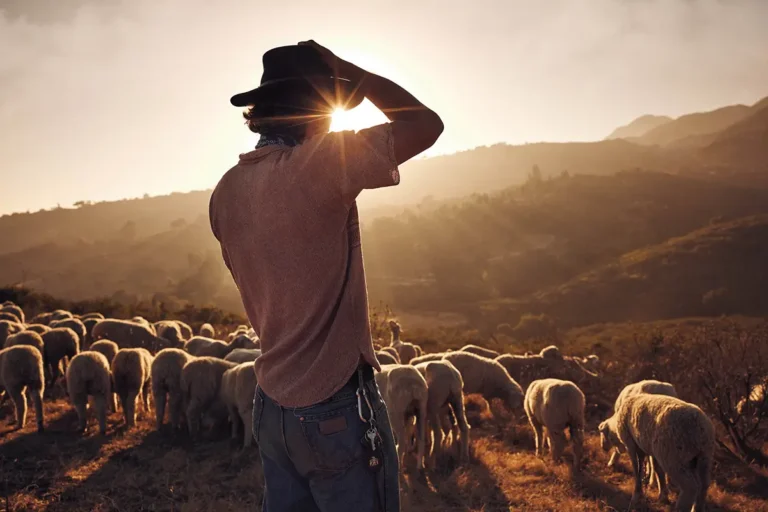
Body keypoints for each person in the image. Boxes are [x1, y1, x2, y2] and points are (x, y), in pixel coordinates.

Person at [209, 41, 443, 512]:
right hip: (334, 402)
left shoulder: (225, 192)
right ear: (313, 110)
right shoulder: (319, 164)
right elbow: (426, 125)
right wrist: (356, 74)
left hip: (272, 406)